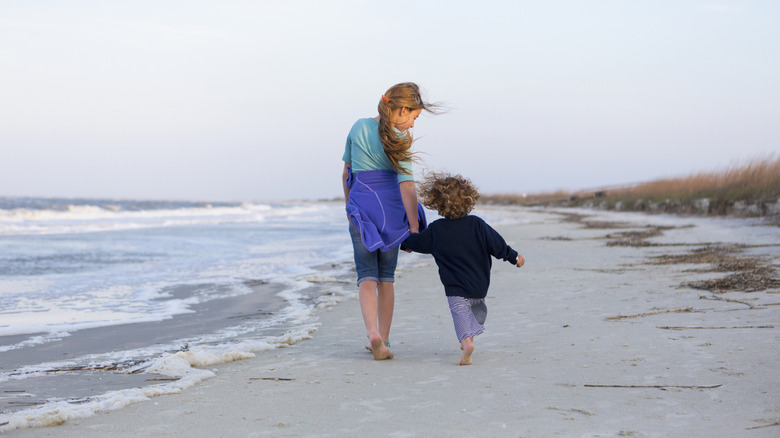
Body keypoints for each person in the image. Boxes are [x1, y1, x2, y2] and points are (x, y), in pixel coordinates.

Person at [342, 82, 438, 360]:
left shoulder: (358, 127)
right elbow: (406, 186)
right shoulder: (400, 139)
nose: (412, 125)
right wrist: (414, 226)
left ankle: (371, 332)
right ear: (402, 110)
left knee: (366, 277)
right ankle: (384, 338)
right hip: (390, 212)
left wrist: (349, 206)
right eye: (414, 118)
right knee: (387, 277)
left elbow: (347, 171)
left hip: (361, 207)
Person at [402, 172, 525, 365]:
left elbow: (418, 242)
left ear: (438, 203)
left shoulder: (437, 229)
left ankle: (466, 342)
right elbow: (498, 245)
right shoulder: (477, 225)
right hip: (479, 283)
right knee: (477, 311)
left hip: (454, 286)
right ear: (468, 199)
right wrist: (515, 257)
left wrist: (405, 242)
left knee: (459, 312)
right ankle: (469, 341)